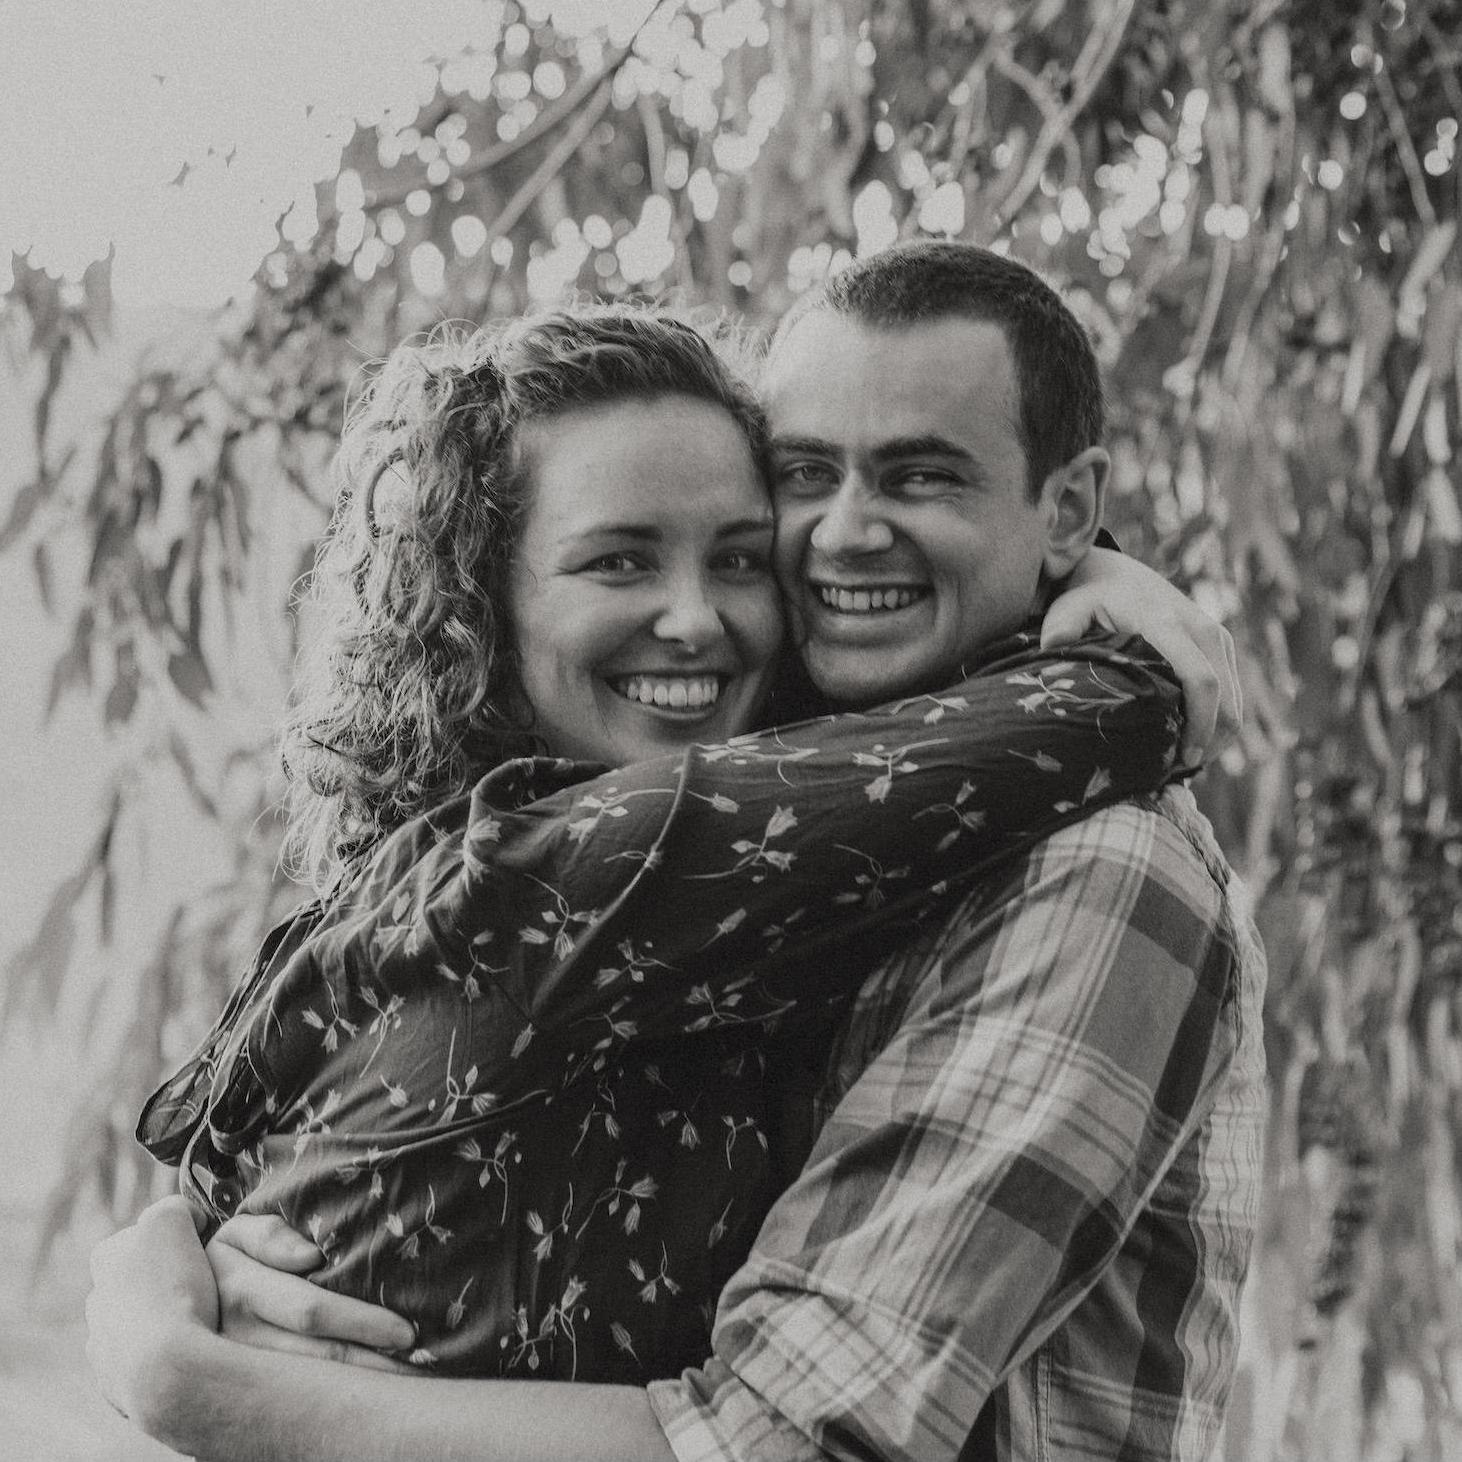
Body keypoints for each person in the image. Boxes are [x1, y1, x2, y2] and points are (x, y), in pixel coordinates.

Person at [87, 245, 1261, 1461]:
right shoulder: (566, 867)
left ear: (1062, 505)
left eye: (924, 475)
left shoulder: (1085, 864)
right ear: (483, 600)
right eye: (806, 476)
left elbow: (785, 1439)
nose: (841, 535)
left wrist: (187, 1365)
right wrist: (163, 1311)